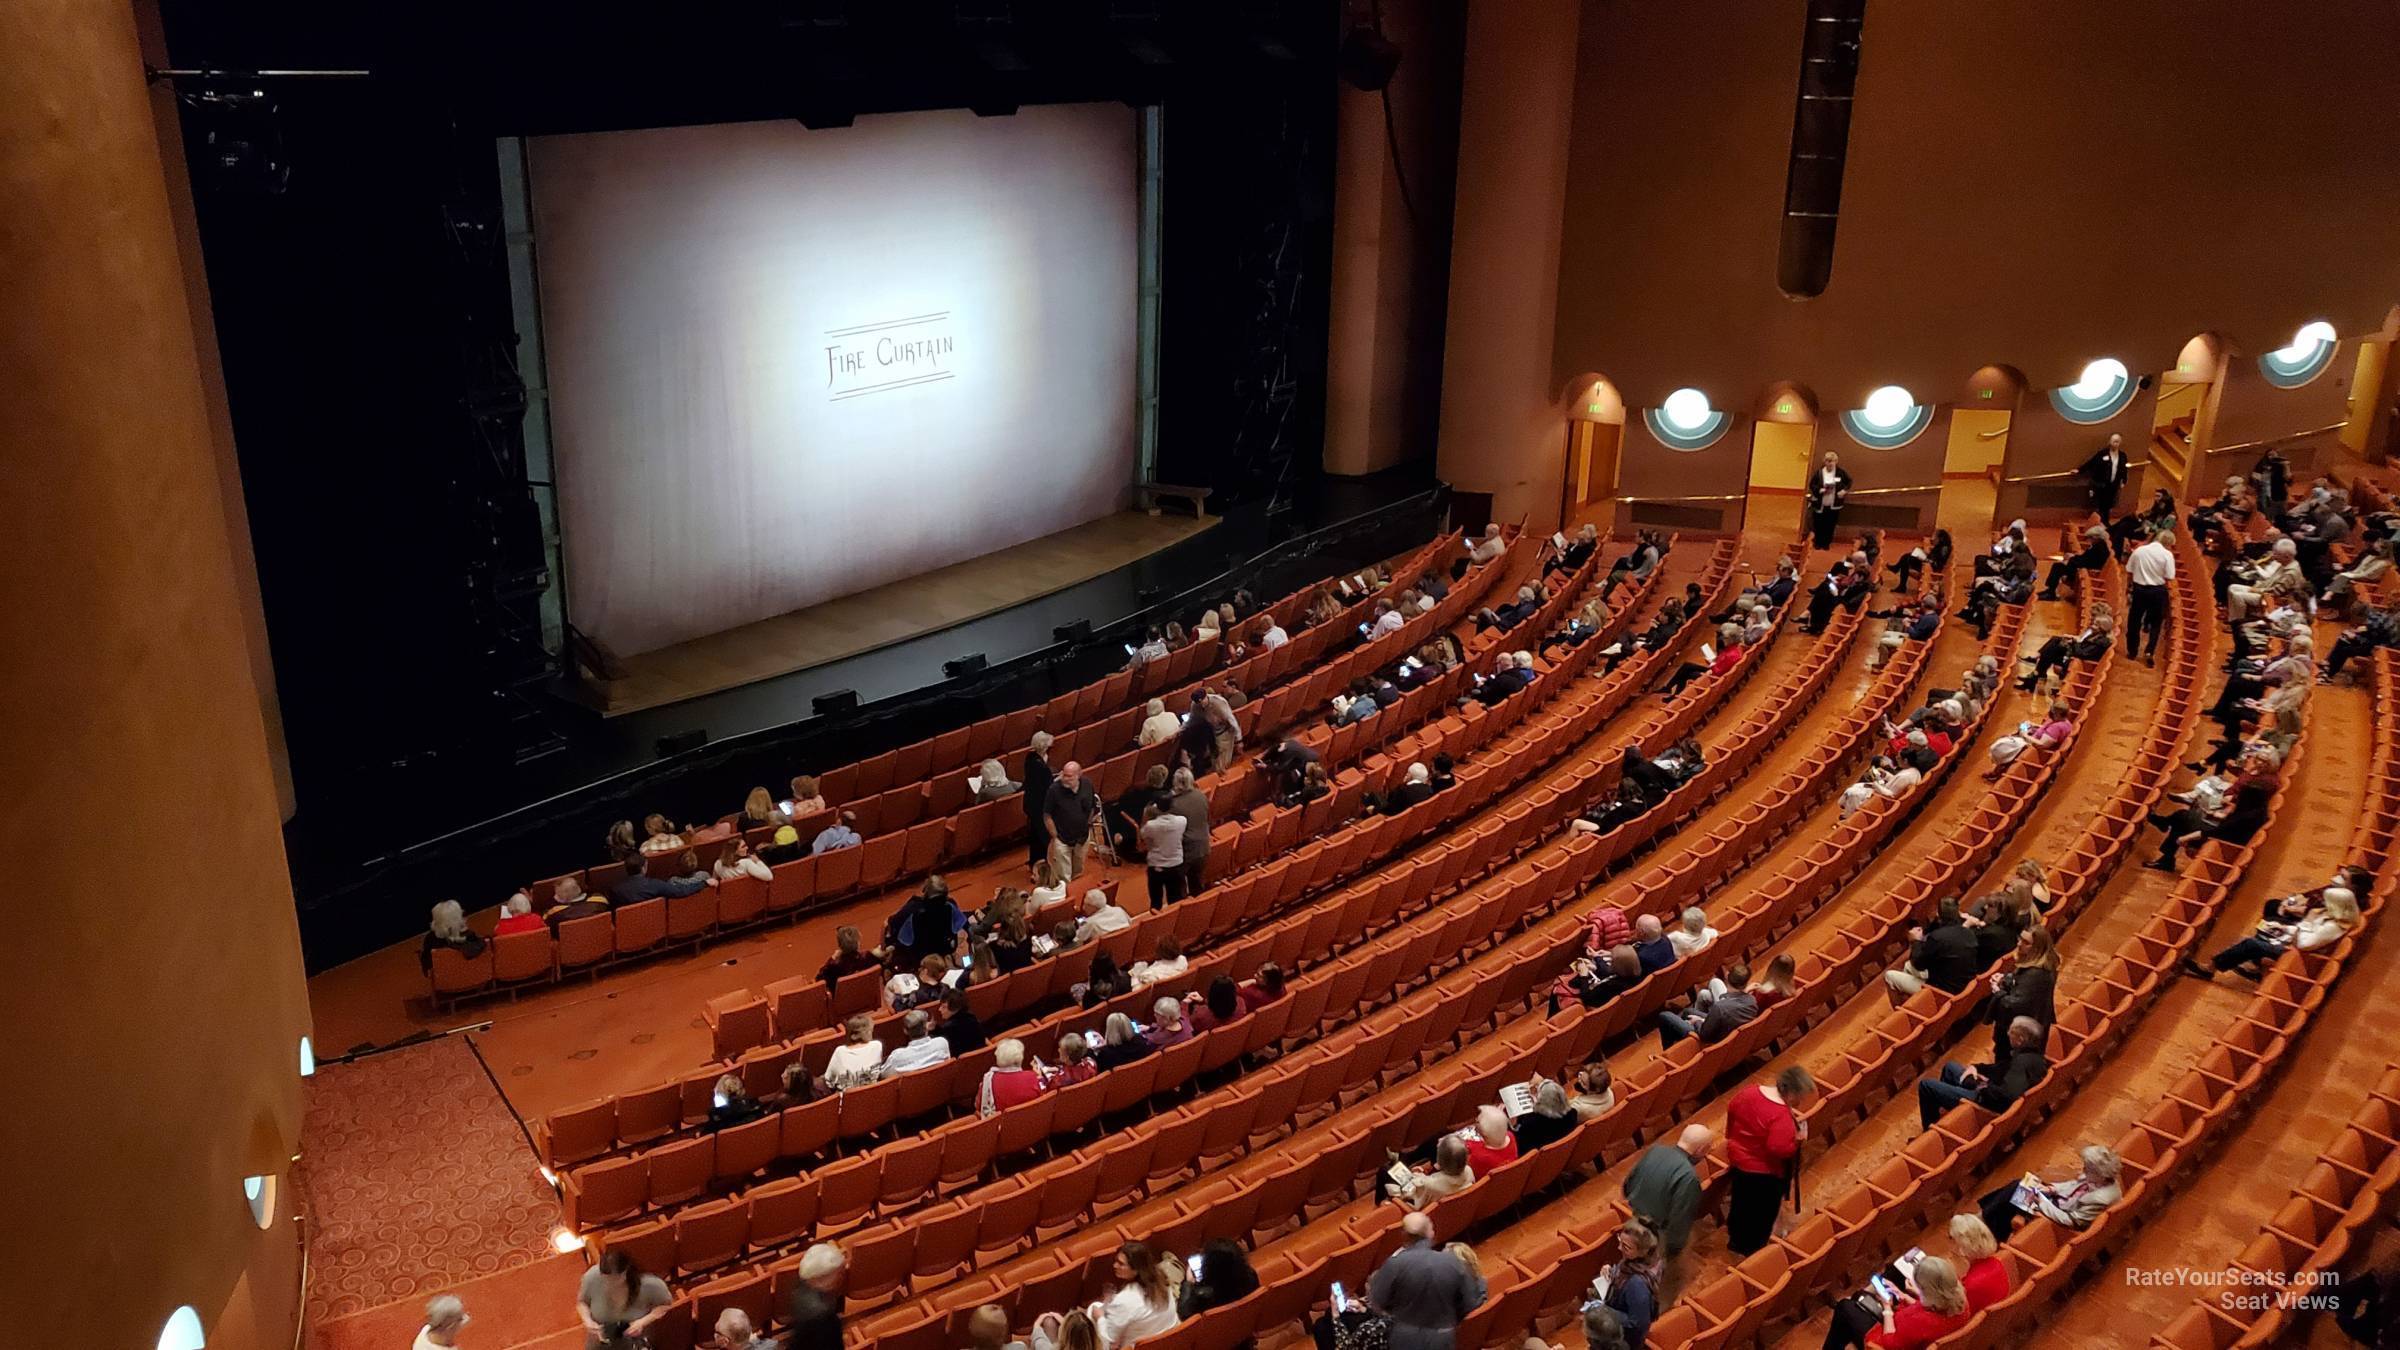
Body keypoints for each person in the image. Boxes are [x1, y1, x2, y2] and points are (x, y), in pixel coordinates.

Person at [1725, 1066, 1815, 1255]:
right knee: (1760, 1215)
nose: (1799, 1102)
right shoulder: (1780, 1116)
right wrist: (1797, 1142)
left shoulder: (1749, 1092)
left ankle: (1735, 1242)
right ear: (1791, 1092)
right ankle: (1753, 1252)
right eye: (1799, 1096)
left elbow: (1732, 1110)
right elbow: (1779, 1149)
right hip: (1763, 1172)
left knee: (1740, 1203)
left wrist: (1733, 1138)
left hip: (1739, 1160)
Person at [2185, 884, 2359, 979]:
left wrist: (2300, 927)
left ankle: (2210, 968)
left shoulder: (2333, 926)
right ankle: (2251, 964)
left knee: (2252, 943)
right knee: (2266, 928)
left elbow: (2305, 944)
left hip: (2301, 956)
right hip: (2296, 943)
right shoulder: (2331, 916)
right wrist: (2286, 928)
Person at [1366, 1212, 1485, 1350]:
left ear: (1404, 1236)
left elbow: (1377, 1302)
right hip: (1441, 1337)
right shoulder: (1452, 1262)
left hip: (1405, 1338)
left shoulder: (1394, 1264)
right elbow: (1470, 1304)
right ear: (1430, 1234)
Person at [1917, 1016, 2049, 1129]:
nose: (2008, 1033)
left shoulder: (2021, 1063)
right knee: (1950, 1068)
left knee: (1926, 1085)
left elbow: (2007, 1096)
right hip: (1991, 1092)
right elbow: (2000, 1069)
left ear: (2020, 1039)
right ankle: (1950, 1117)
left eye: (2011, 1032)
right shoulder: (2035, 1056)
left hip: (1986, 1104)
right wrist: (1978, 1068)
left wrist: (1982, 1086)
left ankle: (1930, 1130)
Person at [1818, 1254, 1971, 1350]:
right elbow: (1929, 1308)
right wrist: (1904, 1296)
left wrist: (1887, 1309)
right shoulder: (1961, 1303)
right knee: (1892, 1272)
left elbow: (1889, 1343)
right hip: (1910, 1331)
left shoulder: (1918, 1323)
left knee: (1845, 1308)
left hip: (1884, 1340)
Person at [1978, 1144, 2122, 1239]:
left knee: (2016, 1193)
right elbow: (2073, 1185)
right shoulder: (2100, 1179)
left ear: (2100, 1174)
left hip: (2055, 1215)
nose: (2083, 1170)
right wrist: (2051, 1188)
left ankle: (1985, 1220)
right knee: (2019, 1185)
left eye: (2087, 1169)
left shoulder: (2099, 1199)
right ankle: (1987, 1219)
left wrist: (2042, 1202)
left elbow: (2071, 1221)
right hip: (2055, 1200)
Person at [1622, 1124, 1712, 1265]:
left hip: (1629, 1218)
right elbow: (1679, 1222)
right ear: (1700, 1150)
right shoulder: (1689, 1177)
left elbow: (1627, 1185)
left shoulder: (1655, 1150)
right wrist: (1671, 1252)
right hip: (1653, 1237)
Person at [1883, 897, 1979, 1004]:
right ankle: (1914, 1005)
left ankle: (1902, 1013)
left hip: (1941, 992)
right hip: (1965, 986)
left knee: (1889, 976)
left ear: (1939, 915)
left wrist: (1916, 941)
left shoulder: (1937, 937)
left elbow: (1919, 965)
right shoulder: (1969, 933)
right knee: (1907, 966)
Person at [1985, 927, 2059, 1058]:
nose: (2019, 944)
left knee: (2006, 1065)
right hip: (2031, 1025)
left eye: (2026, 942)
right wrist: (2006, 979)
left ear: (2037, 948)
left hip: (2020, 1034)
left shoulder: (2036, 975)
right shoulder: (2042, 966)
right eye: (2020, 939)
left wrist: (1997, 990)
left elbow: (2013, 1006)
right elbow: (2023, 986)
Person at [578, 1249, 673, 1349]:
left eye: (614, 1279)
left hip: (637, 1339)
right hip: (602, 1340)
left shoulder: (649, 1284)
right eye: (605, 1278)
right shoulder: (591, 1277)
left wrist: (643, 1322)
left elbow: (666, 1305)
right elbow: (582, 1302)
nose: (609, 1283)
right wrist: (588, 1320)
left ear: (625, 1273)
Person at [1594, 1219, 1662, 1350]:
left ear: (1642, 1252)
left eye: (1626, 1247)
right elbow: (1621, 1275)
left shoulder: (1637, 1285)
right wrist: (1611, 1271)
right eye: (1620, 1241)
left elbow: (1637, 1324)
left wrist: (1605, 1311)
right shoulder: (1631, 1261)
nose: (1619, 1248)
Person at [1657, 962, 1759, 1048]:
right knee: (1688, 1011)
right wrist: (1701, 1020)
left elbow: (1704, 1035)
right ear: (1745, 983)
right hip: (1727, 1031)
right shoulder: (1752, 1000)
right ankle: (1680, 1044)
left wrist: (1697, 1021)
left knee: (1664, 1015)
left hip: (1712, 1040)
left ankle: (1669, 1049)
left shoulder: (1720, 1007)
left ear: (1727, 975)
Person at [881, 876, 966, 970]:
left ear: (925, 891)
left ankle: (885, 966)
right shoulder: (951, 905)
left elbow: (892, 924)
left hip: (916, 958)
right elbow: (960, 925)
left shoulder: (913, 909)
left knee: (886, 925)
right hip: (944, 950)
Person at [2124, 529, 2176, 664]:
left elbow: (2129, 571)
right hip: (2158, 591)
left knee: (2134, 620)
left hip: (2139, 589)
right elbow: (2169, 576)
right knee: (2155, 623)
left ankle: (2132, 650)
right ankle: (2149, 651)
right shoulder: (2167, 555)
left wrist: (2128, 588)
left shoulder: (2139, 551)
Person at [1045, 761, 1102, 881]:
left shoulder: (1087, 784)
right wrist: (1055, 836)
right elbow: (1047, 815)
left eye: (1069, 776)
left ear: (1078, 775)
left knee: (1078, 871)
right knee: (1064, 877)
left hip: (1082, 837)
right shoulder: (1054, 790)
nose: (1065, 779)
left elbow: (1092, 807)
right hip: (1062, 839)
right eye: (1064, 775)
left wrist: (1088, 824)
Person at [785, 1243, 847, 1350]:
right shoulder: (824, 1316)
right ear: (822, 1278)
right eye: (837, 1273)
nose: (840, 1277)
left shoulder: (801, 1287)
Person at [1181, 1237, 1261, 1320]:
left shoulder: (1201, 1294)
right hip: (1246, 1320)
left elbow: (1184, 1315)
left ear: (1208, 1265)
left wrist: (1188, 1283)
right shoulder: (1250, 1276)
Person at [1392, 1134, 1477, 1209]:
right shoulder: (1469, 1171)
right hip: (1455, 1214)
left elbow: (1408, 1199)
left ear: (1439, 1161)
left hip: (1423, 1215)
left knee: (1384, 1172)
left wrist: (1417, 1176)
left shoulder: (1428, 1184)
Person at [607, 851, 709, 906]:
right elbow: (681, 892)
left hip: (628, 932)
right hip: (655, 927)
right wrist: (704, 883)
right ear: (644, 868)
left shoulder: (615, 891)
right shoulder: (655, 885)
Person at [1169, 768, 1212, 895]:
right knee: (1197, 886)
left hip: (1184, 853)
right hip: (1203, 848)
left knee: (1177, 891)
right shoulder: (1201, 796)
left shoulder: (1173, 804)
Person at [1138, 802, 1189, 907]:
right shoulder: (1182, 820)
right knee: (1176, 901)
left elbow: (1142, 834)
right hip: (1176, 865)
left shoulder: (1150, 826)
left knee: (1156, 901)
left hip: (1157, 867)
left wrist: (1146, 816)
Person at [979, 1038, 1046, 1116]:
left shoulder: (988, 1080)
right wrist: (1039, 1077)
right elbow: (1043, 1097)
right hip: (1032, 1122)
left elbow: (978, 1105)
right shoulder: (1033, 1077)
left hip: (1003, 1125)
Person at [878, 1009, 951, 1077]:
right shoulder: (942, 1043)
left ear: (905, 1031)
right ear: (926, 1027)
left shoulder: (897, 1056)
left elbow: (883, 1075)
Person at [1022, 731, 1058, 869]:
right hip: (1039, 805)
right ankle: (1044, 863)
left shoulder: (1030, 758)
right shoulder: (1039, 766)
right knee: (1043, 835)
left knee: (1035, 834)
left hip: (1032, 803)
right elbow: (1047, 786)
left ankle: (1035, 860)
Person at [1511, 1080, 1579, 1152]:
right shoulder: (1572, 1114)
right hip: (1562, 1151)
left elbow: (1519, 1143)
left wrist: (1512, 1126)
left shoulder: (1532, 1122)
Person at [1806, 450, 1854, 551]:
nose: (1830, 463)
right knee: (1819, 524)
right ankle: (1818, 543)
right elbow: (1812, 485)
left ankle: (1826, 543)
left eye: (1832, 461)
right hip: (1820, 504)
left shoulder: (1840, 472)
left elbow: (1849, 482)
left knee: (1830, 524)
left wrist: (1843, 491)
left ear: (1836, 462)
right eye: (1828, 461)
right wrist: (1820, 490)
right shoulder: (1819, 473)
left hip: (1834, 505)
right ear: (1825, 461)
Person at [822, 1014, 884, 1088]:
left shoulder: (839, 1051)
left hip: (846, 1097)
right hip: (873, 1095)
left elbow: (829, 1082)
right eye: (870, 1031)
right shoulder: (877, 1045)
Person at [2082, 433, 2131, 518]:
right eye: (2113, 441)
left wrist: (2124, 480)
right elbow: (2091, 463)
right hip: (2102, 484)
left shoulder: (2123, 456)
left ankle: (2105, 519)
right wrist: (2079, 470)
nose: (2115, 444)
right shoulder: (2102, 454)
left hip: (2113, 484)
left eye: (2117, 442)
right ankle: (2098, 520)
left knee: (2109, 503)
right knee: (2099, 503)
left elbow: (2124, 469)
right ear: (2110, 442)